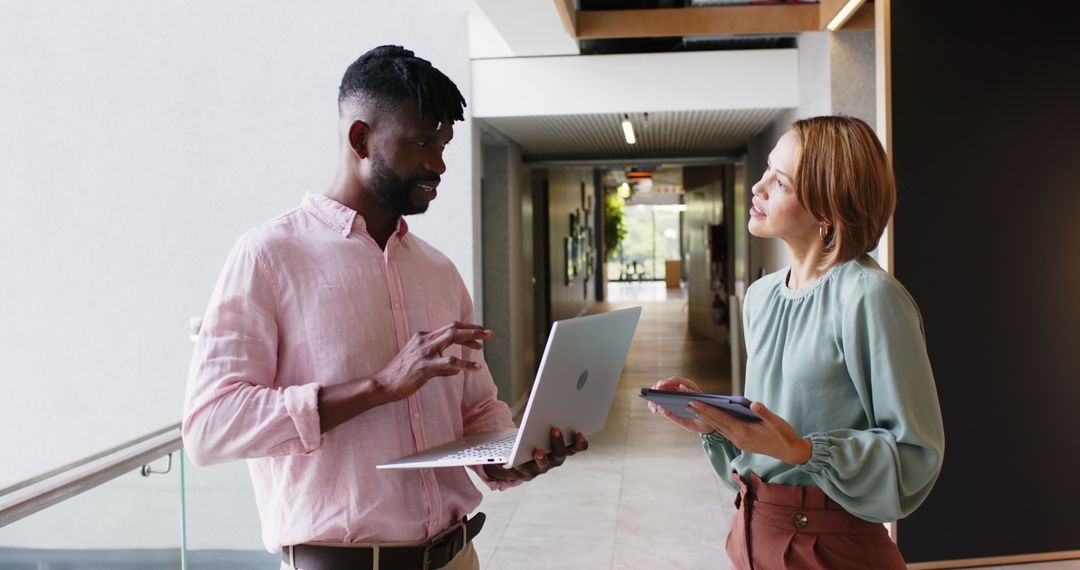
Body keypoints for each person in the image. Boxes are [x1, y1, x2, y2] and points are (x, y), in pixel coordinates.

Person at [182, 45, 587, 570]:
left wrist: (510, 458)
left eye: (443, 145)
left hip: (457, 557)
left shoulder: (438, 270)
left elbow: (475, 407)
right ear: (360, 139)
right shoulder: (268, 256)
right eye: (421, 142)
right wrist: (379, 387)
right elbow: (211, 427)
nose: (438, 164)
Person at [649, 115, 944, 569]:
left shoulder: (870, 296)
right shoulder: (762, 295)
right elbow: (766, 445)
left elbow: (913, 457)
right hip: (751, 531)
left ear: (828, 211)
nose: (758, 187)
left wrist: (805, 451)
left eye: (780, 182)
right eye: (766, 170)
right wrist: (714, 421)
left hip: (831, 548)